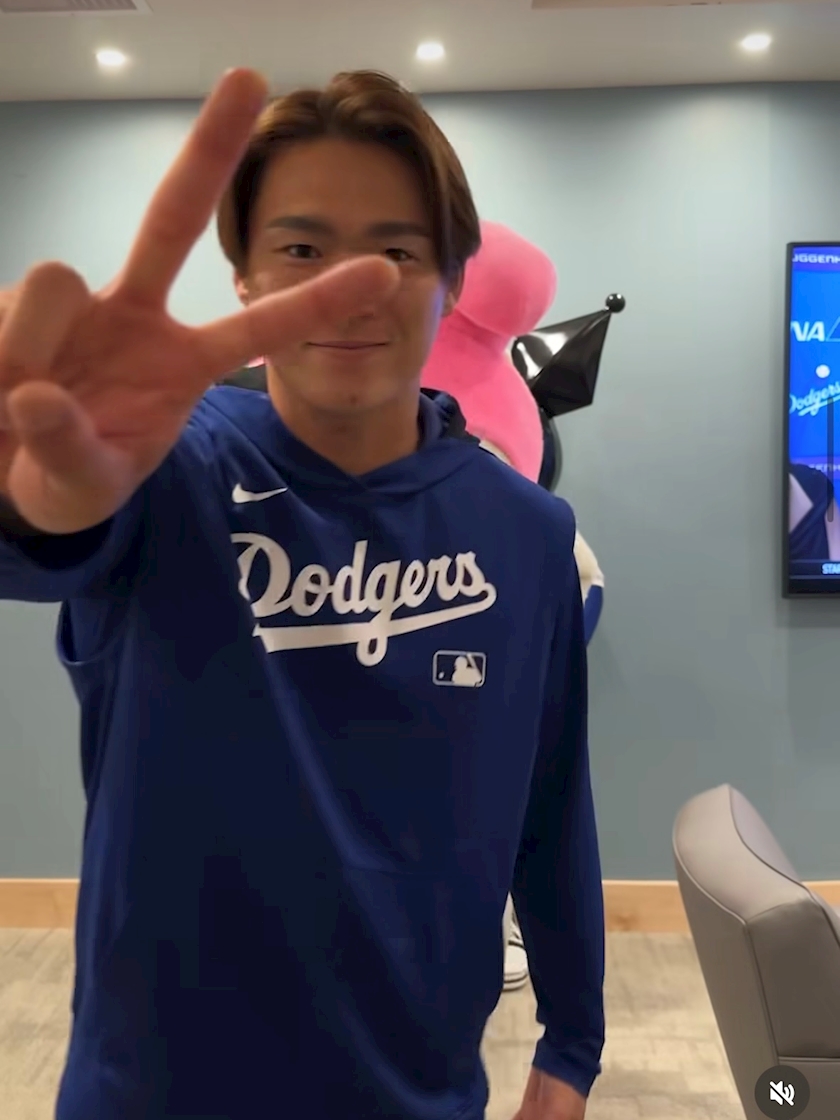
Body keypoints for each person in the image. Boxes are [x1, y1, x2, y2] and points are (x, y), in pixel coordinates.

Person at [0, 68, 605, 1120]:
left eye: (397, 251)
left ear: (453, 279)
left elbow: (550, 804)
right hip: (153, 1094)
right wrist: (30, 496)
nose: (351, 288)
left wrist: (573, 1041)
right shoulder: (158, 469)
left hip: (417, 1093)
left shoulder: (529, 533)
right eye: (301, 249)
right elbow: (47, 537)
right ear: (242, 277)